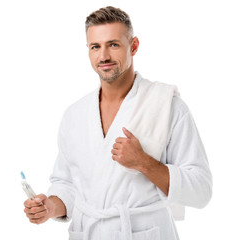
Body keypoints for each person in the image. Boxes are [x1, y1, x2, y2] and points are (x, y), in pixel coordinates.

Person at [23, 6, 212, 240]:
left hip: (144, 233)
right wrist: (50, 207)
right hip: (88, 233)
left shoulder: (167, 106)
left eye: (113, 44)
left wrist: (144, 162)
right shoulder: (75, 115)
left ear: (133, 46)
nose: (103, 56)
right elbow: (68, 185)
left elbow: (201, 190)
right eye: (96, 46)